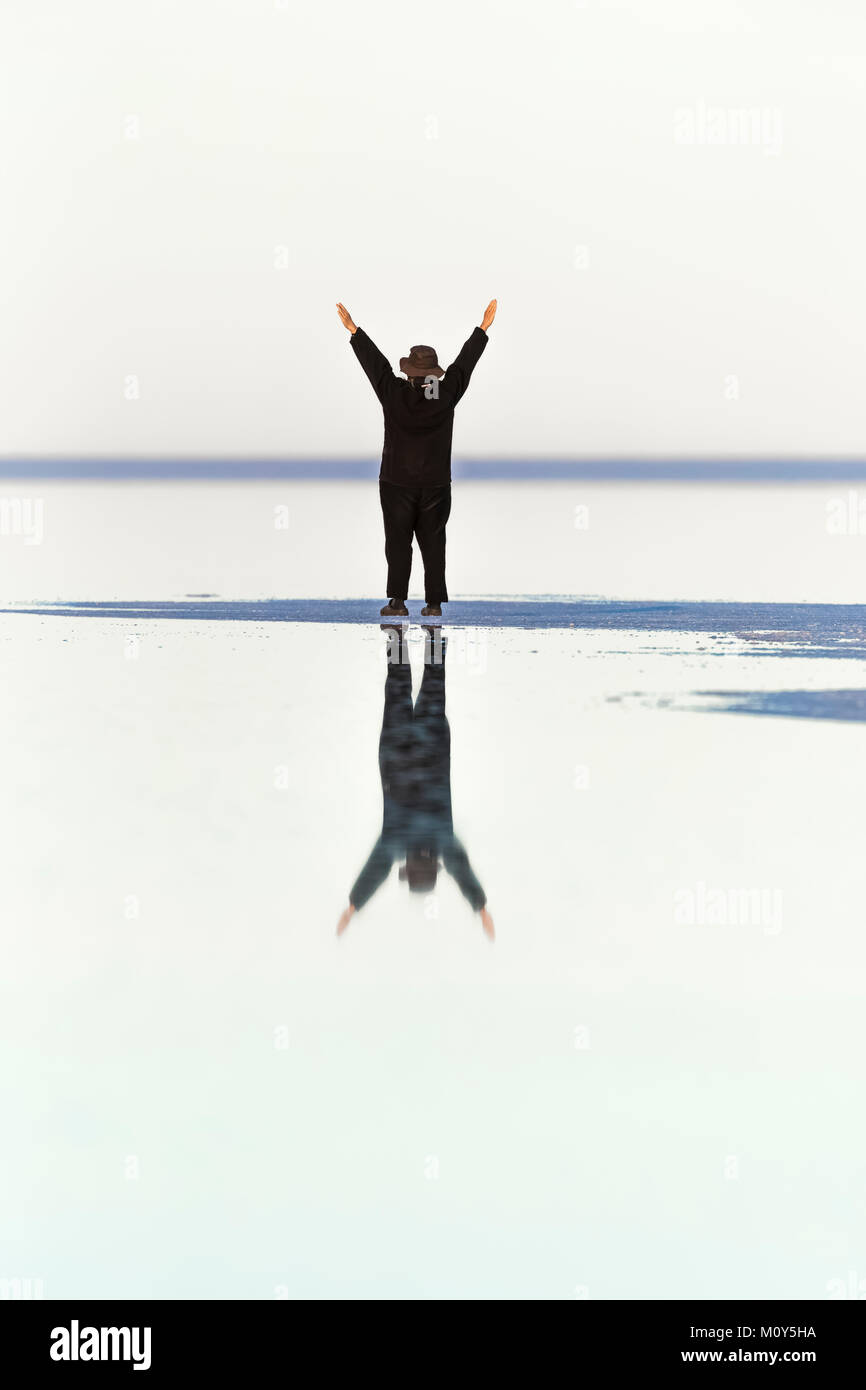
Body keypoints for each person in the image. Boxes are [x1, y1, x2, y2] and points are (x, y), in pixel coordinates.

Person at [336, 299, 497, 618]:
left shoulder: (395, 394)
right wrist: (481, 329)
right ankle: (434, 603)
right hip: (435, 484)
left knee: (397, 544)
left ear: (409, 373)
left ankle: (397, 602)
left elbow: (376, 366)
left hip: (396, 483)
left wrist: (355, 332)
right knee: (434, 544)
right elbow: (463, 366)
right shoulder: (446, 394)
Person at [336, 625, 494, 940]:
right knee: (397, 685)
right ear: (408, 865)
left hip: (432, 747)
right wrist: (352, 906)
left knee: (434, 685)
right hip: (396, 751)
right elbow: (376, 873)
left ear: (435, 865)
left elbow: (462, 873)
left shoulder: (442, 842)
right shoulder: (396, 841)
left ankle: (433, 635)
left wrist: (481, 907)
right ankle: (396, 635)